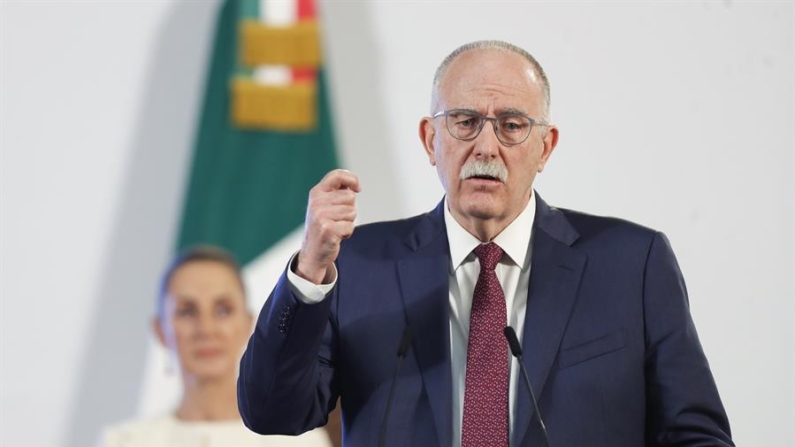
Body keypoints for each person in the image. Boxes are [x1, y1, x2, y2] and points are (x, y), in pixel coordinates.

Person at [237, 40, 734, 447]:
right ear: (431, 140)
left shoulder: (632, 264)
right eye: (466, 121)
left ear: (546, 147)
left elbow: (695, 435)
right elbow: (271, 412)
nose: (486, 146)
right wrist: (309, 275)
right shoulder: (359, 264)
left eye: (512, 125)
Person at [100, 245, 339, 447]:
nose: (206, 329)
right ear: (161, 330)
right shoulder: (124, 441)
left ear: (248, 324)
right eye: (187, 311)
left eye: (223, 310)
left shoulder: (300, 443)